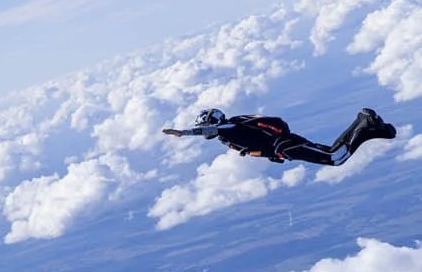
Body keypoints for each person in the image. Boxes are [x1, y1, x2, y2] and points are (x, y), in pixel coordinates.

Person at [162, 107, 395, 166]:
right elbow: (254, 145)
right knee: (332, 152)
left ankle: (365, 123)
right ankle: (372, 128)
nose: (205, 131)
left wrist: (182, 133)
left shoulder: (228, 127)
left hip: (286, 145)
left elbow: (208, 131)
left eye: (205, 127)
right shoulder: (231, 131)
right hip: (284, 147)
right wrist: (272, 155)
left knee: (335, 157)